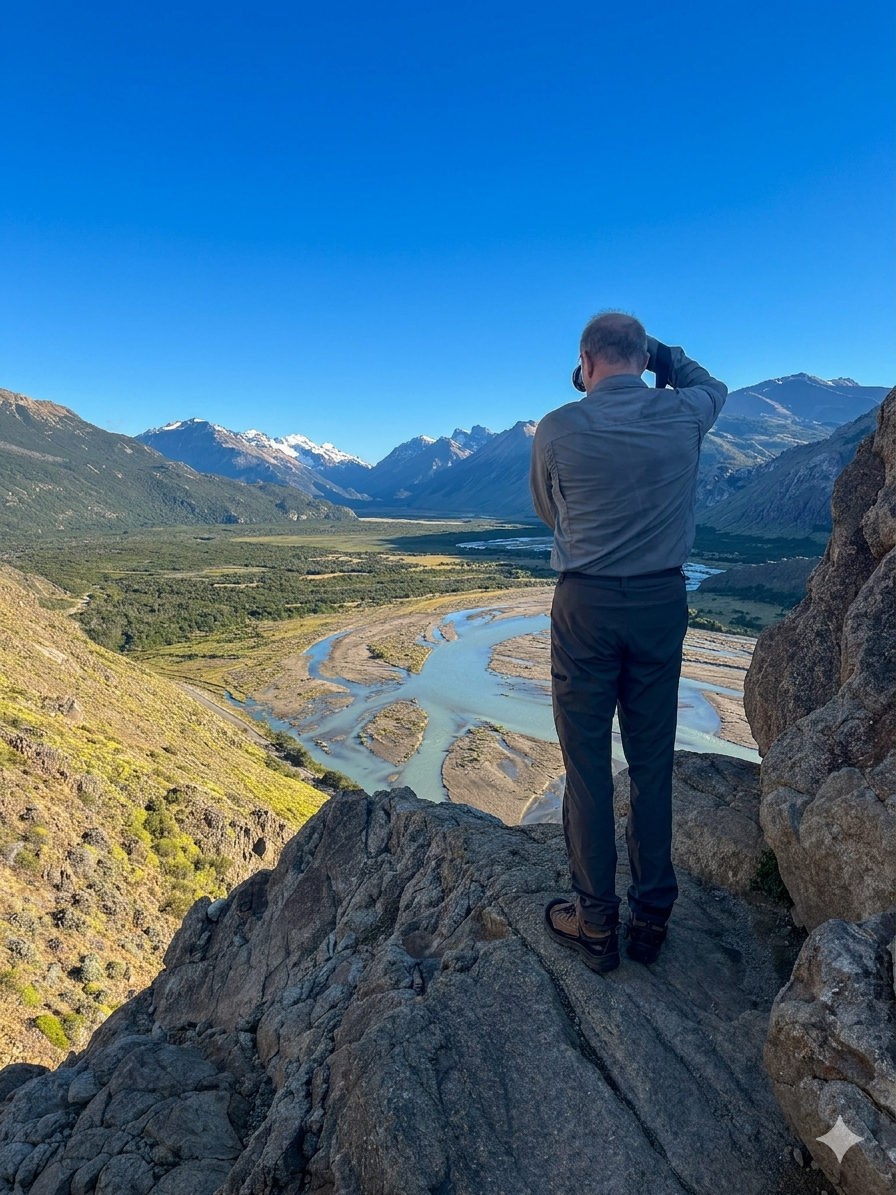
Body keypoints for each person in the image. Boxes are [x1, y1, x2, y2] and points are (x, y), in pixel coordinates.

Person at [529, 311, 726, 973]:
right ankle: (650, 918)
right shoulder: (683, 414)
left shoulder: (558, 426)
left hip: (584, 603)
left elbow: (548, 508)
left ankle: (593, 920)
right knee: (650, 761)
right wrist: (666, 357)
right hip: (660, 600)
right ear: (644, 360)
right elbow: (712, 385)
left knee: (586, 767)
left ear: (585, 363)